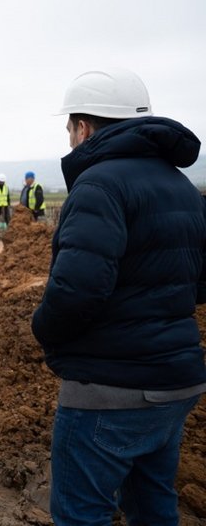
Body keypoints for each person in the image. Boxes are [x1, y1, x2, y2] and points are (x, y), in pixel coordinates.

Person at [31, 68, 206, 525]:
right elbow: (199, 282)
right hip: (176, 381)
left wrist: (42, 330)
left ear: (83, 128)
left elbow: (76, 291)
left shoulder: (98, 185)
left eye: (69, 128)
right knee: (153, 507)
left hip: (109, 389)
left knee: (80, 514)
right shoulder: (183, 187)